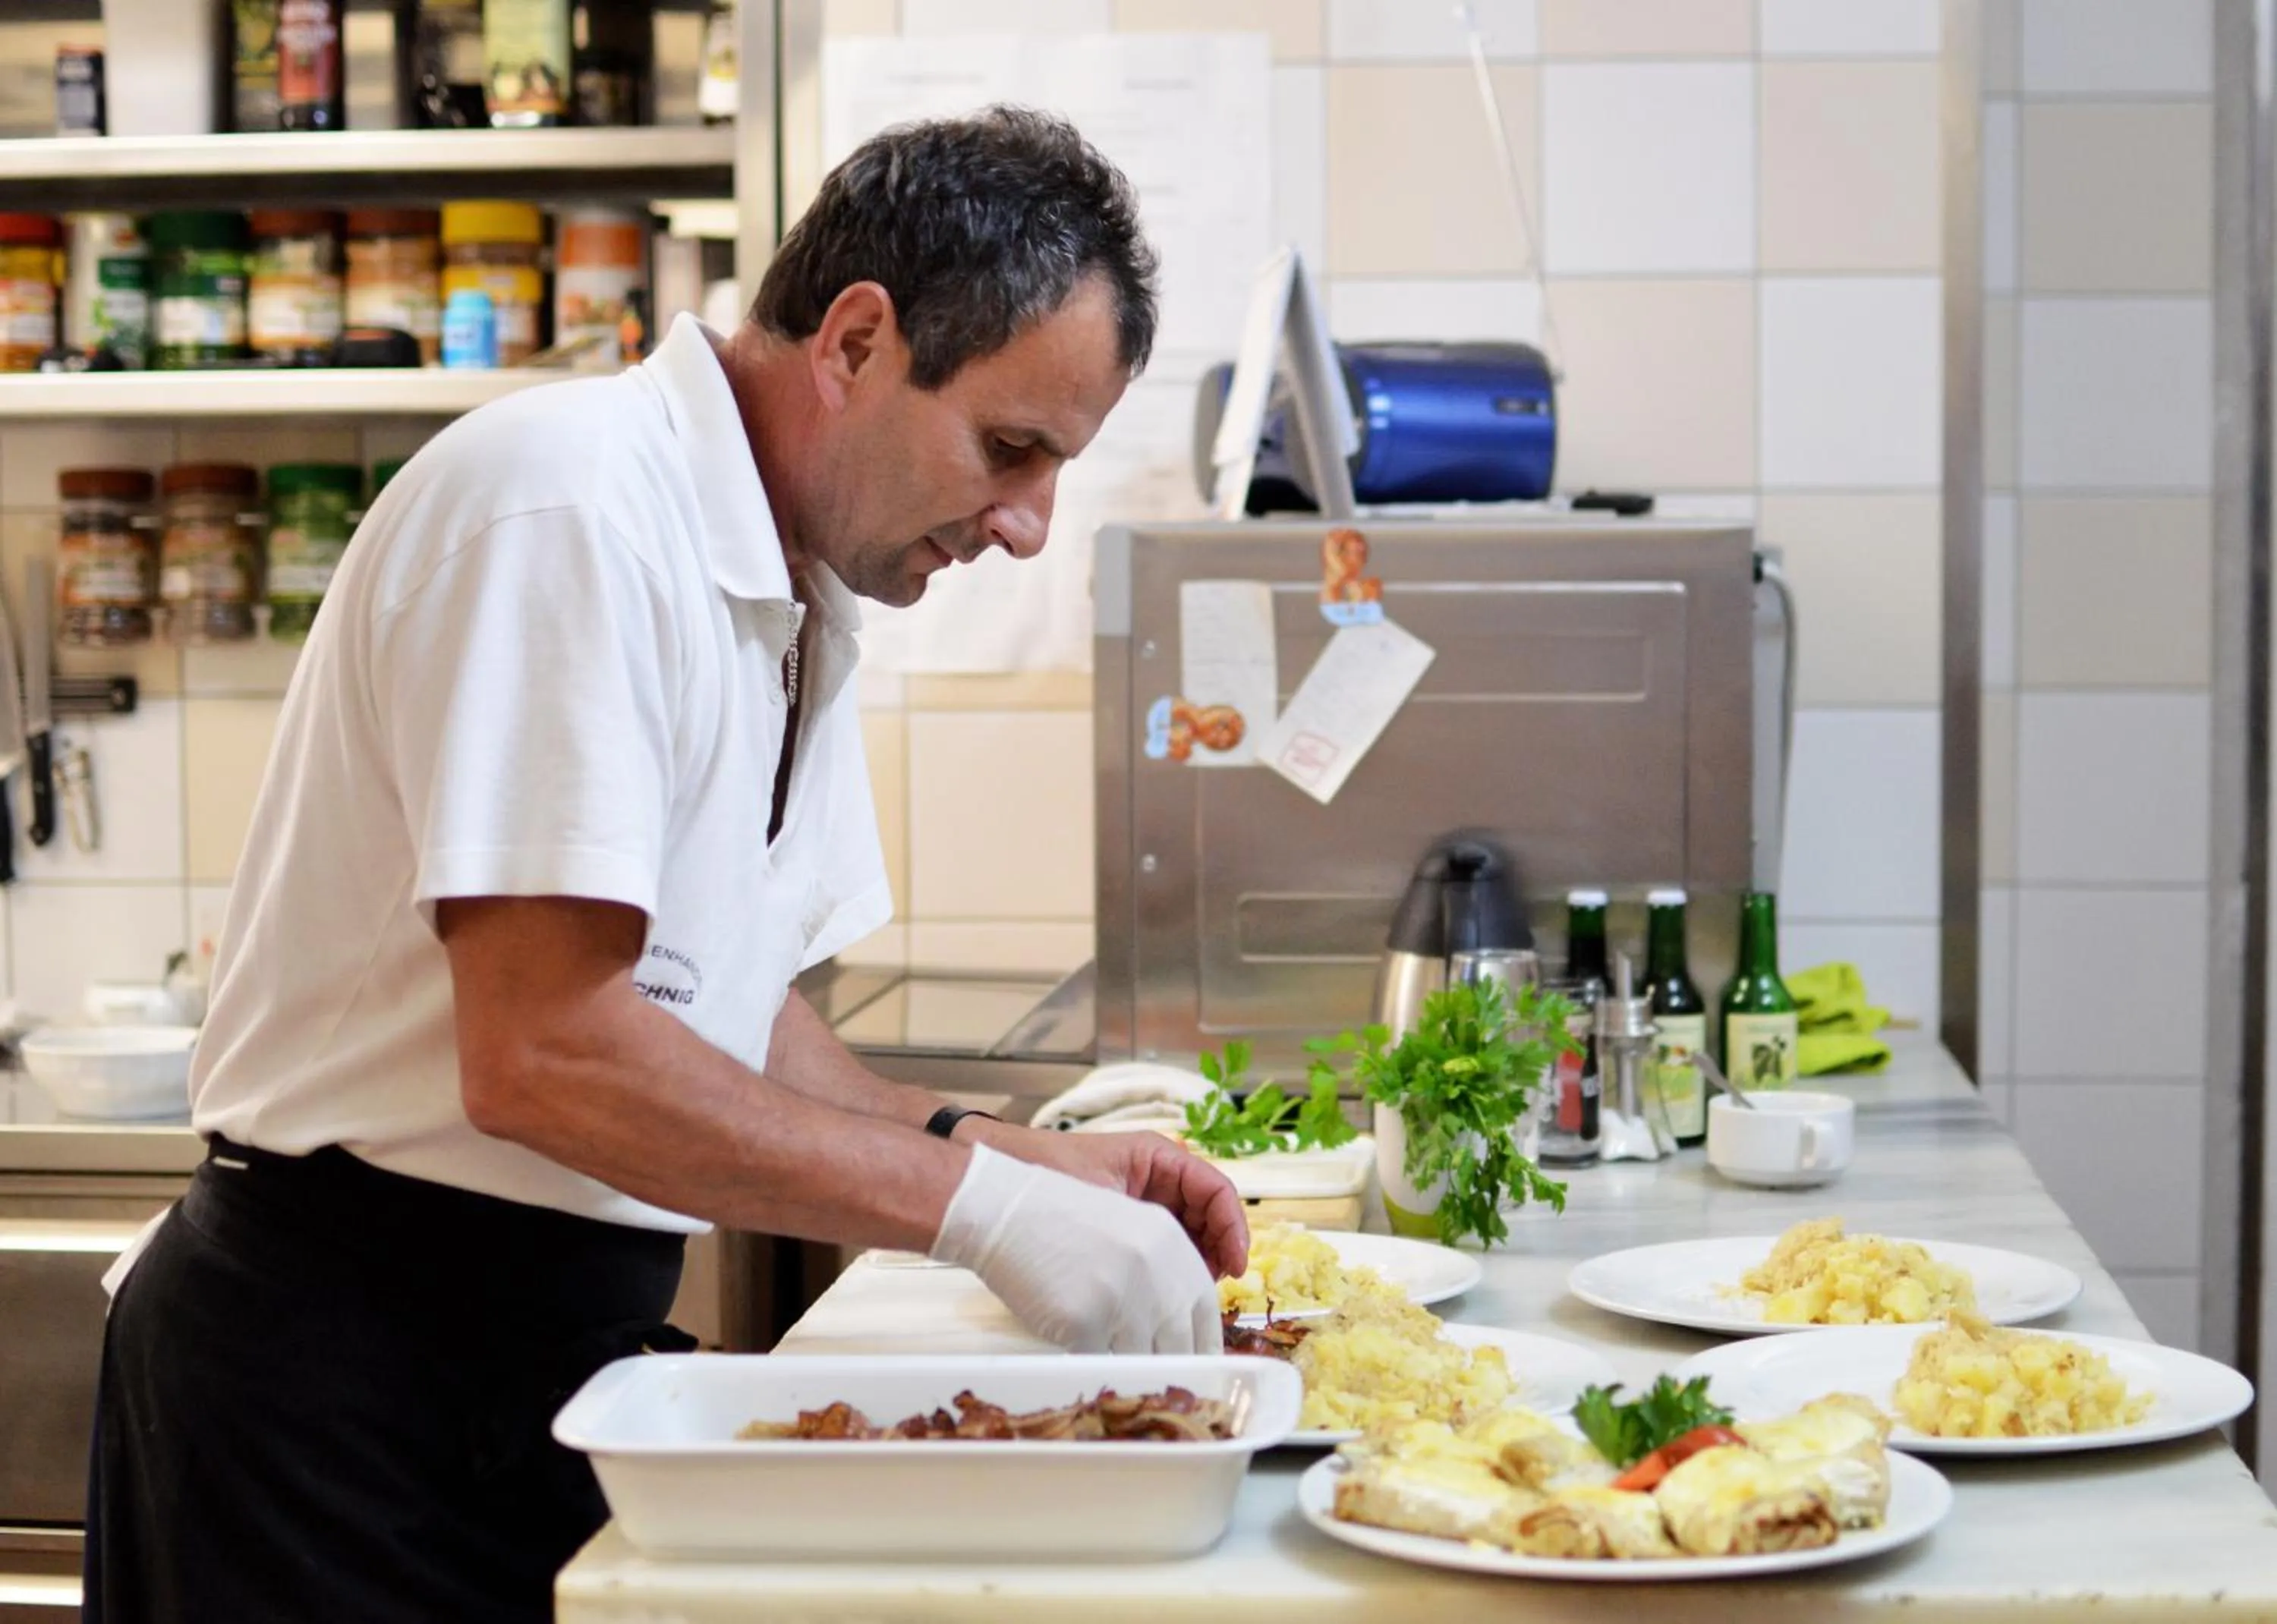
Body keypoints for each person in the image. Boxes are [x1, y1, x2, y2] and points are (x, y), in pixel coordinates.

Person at [85, 106, 1248, 1624]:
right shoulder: (569, 509)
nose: (1031, 526)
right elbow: (550, 1048)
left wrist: (1015, 1151)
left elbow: (729, 1002)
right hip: (331, 1386)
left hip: (531, 1368)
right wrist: (981, 1213)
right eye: (1012, 448)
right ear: (856, 340)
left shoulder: (793, 588)